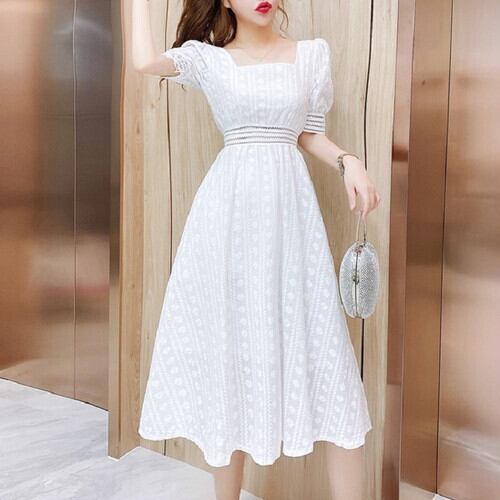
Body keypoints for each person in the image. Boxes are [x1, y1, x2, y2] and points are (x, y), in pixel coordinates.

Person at [132, 1, 381, 499]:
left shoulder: (311, 55)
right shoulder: (208, 58)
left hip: (291, 222)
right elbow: (144, 62)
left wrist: (348, 161)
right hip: (227, 221)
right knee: (231, 355)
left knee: (327, 361)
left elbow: (308, 132)